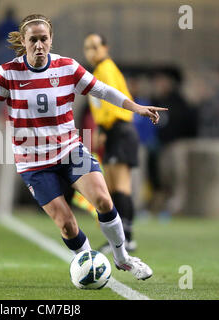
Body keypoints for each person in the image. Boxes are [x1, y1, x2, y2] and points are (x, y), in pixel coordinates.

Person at [0, 14, 167, 280]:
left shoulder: (67, 67)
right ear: (25, 42)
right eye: (33, 40)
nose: (39, 45)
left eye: (43, 39)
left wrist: (137, 107)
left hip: (70, 150)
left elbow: (104, 91)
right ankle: (90, 266)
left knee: (104, 199)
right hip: (33, 162)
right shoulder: (9, 72)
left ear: (51, 40)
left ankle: (124, 259)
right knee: (67, 224)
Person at [83, 33, 140, 252]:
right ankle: (121, 238)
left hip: (119, 130)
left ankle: (127, 237)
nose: (91, 52)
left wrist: (104, 128)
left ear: (105, 48)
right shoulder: (99, 70)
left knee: (121, 187)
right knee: (114, 188)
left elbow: (111, 102)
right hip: (114, 130)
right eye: (88, 48)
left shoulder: (105, 69)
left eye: (95, 47)